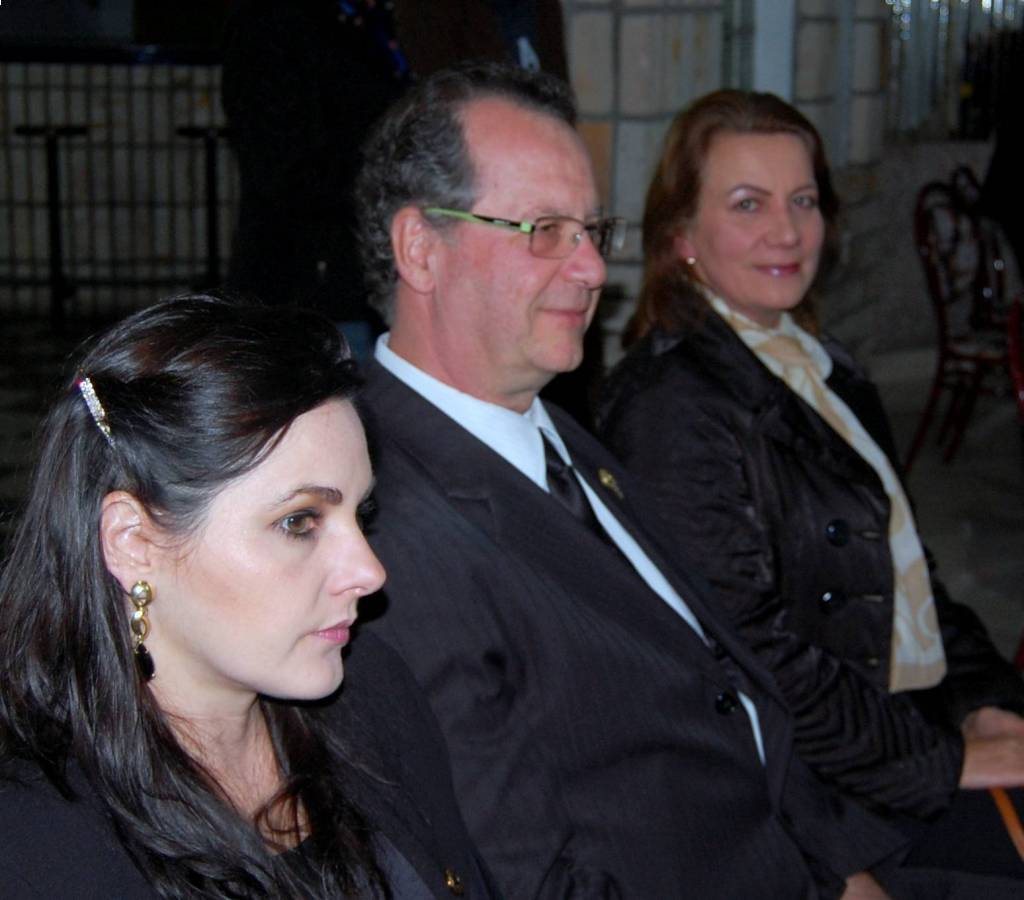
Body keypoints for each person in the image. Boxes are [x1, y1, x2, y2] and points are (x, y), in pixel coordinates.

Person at [349, 60, 943, 899]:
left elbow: (731, 684)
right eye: (545, 229)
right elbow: (528, 879)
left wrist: (845, 867)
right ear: (420, 248)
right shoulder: (384, 527)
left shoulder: (561, 432)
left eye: (593, 229)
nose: (594, 267)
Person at [596, 89, 1024, 878]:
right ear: (681, 234)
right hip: (813, 794)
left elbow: (909, 576)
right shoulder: (671, 409)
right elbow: (747, 658)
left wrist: (984, 701)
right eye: (748, 204)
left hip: (898, 726)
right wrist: (943, 761)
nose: (788, 232)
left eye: (803, 200)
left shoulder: (816, 367)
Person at [0, 295, 491, 898]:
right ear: (133, 542)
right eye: (299, 522)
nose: (369, 571)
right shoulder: (35, 846)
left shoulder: (375, 699)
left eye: (361, 515)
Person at [222, 0, 409, 350]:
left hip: (370, 278)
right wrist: (394, 186)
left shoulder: (378, 20)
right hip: (314, 280)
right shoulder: (274, 22)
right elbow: (281, 166)